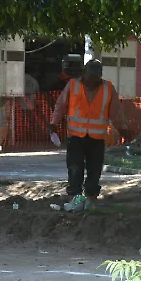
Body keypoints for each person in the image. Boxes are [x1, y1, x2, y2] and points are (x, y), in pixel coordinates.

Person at [50, 60, 121, 212]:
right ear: (84, 73)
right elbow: (61, 105)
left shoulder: (108, 88)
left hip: (97, 137)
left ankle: (90, 197)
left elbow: (116, 112)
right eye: (91, 76)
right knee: (75, 168)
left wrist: (123, 128)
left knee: (94, 169)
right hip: (76, 136)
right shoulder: (73, 85)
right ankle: (75, 197)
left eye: (96, 77)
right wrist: (54, 122)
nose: (93, 80)